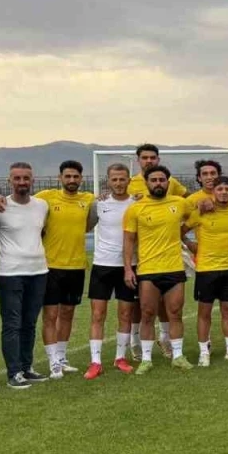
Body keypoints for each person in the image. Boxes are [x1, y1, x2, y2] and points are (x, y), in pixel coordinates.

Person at [12, 160, 94, 378]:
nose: (72, 180)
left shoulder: (88, 199)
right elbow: (21, 202)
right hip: (50, 267)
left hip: (77, 266)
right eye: (67, 176)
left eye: (75, 176)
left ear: (81, 178)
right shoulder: (46, 197)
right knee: (50, 315)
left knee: (67, 313)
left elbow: (95, 217)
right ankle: (53, 362)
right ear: (60, 178)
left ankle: (62, 357)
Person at [122, 166, 192, 373]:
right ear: (147, 183)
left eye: (162, 180)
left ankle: (178, 356)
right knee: (147, 314)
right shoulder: (135, 208)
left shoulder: (179, 203)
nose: (158, 183)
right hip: (148, 270)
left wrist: (186, 238)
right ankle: (146, 359)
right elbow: (128, 240)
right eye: (154, 180)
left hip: (174, 268)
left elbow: (196, 214)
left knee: (175, 313)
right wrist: (128, 269)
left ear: (168, 183)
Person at [0, 162, 49, 388]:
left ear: (32, 180)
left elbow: (41, 231)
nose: (22, 182)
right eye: (17, 178)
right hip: (10, 274)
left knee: (29, 323)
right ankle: (14, 373)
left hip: (39, 272)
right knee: (12, 324)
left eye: (26, 178)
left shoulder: (41, 205)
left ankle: (26, 367)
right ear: (9, 181)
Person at [187, 176, 228, 366]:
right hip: (207, 269)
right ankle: (204, 352)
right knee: (204, 312)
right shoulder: (202, 210)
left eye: (227, 189)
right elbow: (180, 230)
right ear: (213, 192)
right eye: (219, 189)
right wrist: (190, 244)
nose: (223, 192)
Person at [86, 162, 137, 379]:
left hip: (129, 266)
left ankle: (120, 358)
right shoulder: (99, 204)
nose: (118, 183)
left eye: (122, 179)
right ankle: (95, 362)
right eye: (114, 179)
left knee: (125, 313)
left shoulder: (137, 204)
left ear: (128, 180)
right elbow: (85, 226)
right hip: (102, 265)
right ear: (108, 181)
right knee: (98, 314)